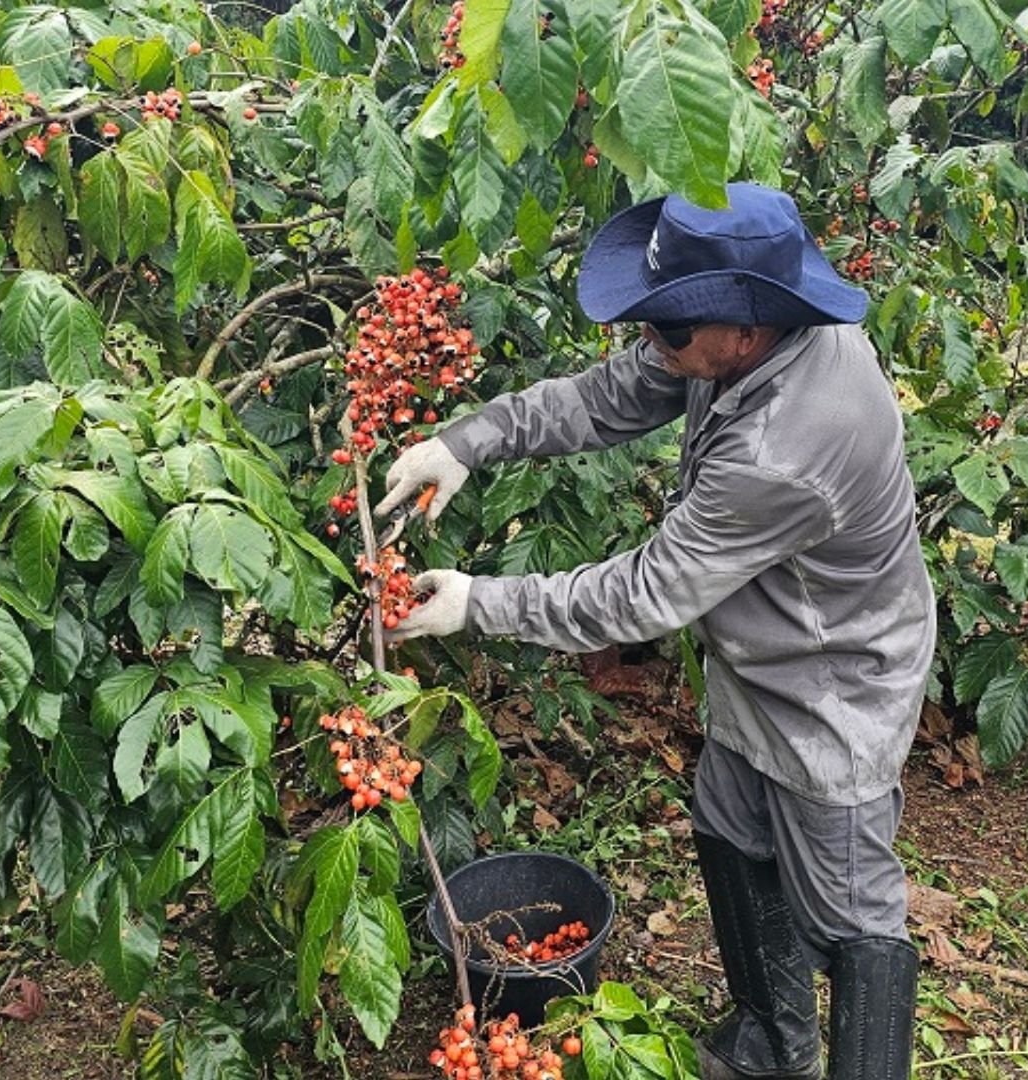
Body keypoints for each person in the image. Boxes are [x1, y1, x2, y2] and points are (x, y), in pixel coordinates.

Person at [376, 183, 935, 1080]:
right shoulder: (728, 345)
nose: (652, 341)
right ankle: (772, 1043)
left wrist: (480, 603)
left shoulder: (787, 446)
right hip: (760, 650)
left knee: (849, 914)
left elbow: (645, 593)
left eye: (669, 326)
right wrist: (468, 442)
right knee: (730, 827)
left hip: (835, 685)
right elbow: (608, 397)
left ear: (746, 330)